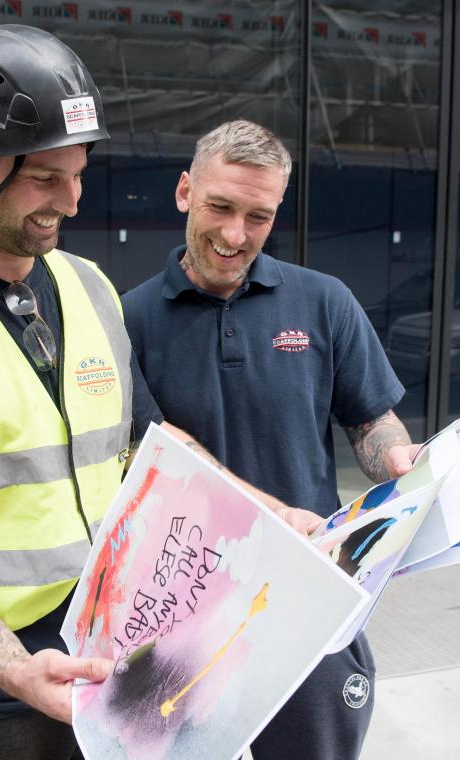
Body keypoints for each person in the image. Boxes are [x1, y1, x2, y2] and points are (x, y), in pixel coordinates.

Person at [0, 30, 316, 760]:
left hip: (113, 664)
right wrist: (17, 670)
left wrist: (266, 512)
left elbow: (151, 441)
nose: (70, 202)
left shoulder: (85, 286)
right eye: (44, 178)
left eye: (77, 174)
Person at [121, 119, 421, 760]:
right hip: (183, 620)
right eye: (220, 207)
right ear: (184, 192)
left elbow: (371, 420)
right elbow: (151, 461)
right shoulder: (128, 321)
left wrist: (397, 457)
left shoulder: (324, 303)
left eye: (258, 216)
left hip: (305, 601)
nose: (235, 235)